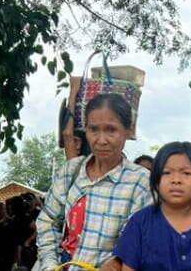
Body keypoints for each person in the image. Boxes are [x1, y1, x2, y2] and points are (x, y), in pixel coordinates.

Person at [36, 93, 152, 270]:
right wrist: (50, 264)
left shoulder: (140, 182)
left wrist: (117, 262)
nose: (101, 140)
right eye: (94, 129)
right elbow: (48, 220)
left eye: (111, 130)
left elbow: (137, 242)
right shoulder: (71, 171)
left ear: (128, 130)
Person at [113, 142, 191, 271]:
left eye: (186, 173)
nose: (176, 180)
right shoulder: (140, 221)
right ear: (156, 181)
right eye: (167, 173)